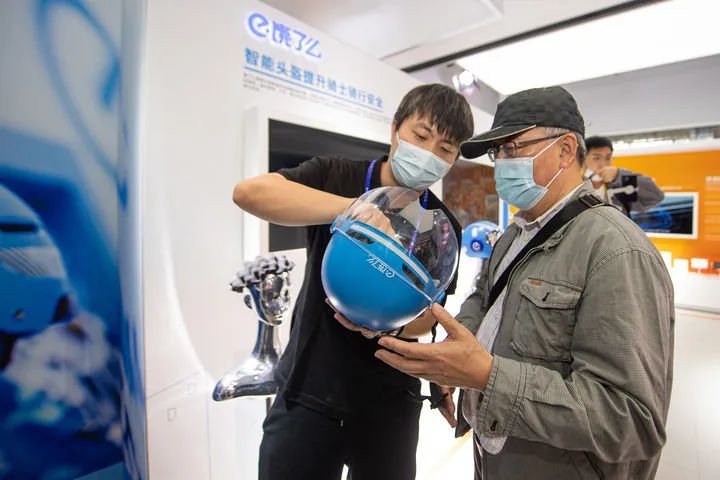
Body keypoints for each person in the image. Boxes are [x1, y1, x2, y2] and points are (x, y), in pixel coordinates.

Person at [363, 86, 674, 480]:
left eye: (513, 148)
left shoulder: (617, 250)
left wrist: (486, 376)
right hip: (494, 458)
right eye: (499, 153)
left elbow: (632, 421)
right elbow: (482, 300)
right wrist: (450, 360)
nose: (502, 165)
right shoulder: (514, 235)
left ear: (565, 150)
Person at [232, 83, 473, 480]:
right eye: (420, 135)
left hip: (390, 399)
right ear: (395, 129)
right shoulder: (337, 175)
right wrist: (354, 209)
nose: (429, 153)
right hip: (309, 387)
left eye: (445, 149)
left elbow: (429, 316)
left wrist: (387, 326)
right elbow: (249, 193)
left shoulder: (444, 227)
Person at [584, 135, 665, 215]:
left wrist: (618, 175)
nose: (603, 164)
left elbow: (656, 196)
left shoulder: (619, 186)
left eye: (608, 158)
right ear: (583, 159)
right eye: (596, 158)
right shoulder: (579, 186)